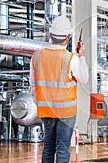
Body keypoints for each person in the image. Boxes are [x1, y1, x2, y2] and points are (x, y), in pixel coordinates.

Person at [30, 15, 88, 163]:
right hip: (66, 112)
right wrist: (81, 56)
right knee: (62, 148)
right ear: (67, 39)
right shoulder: (71, 58)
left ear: (50, 35)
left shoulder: (36, 56)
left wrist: (39, 103)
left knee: (48, 147)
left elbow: (32, 85)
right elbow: (84, 79)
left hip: (46, 110)